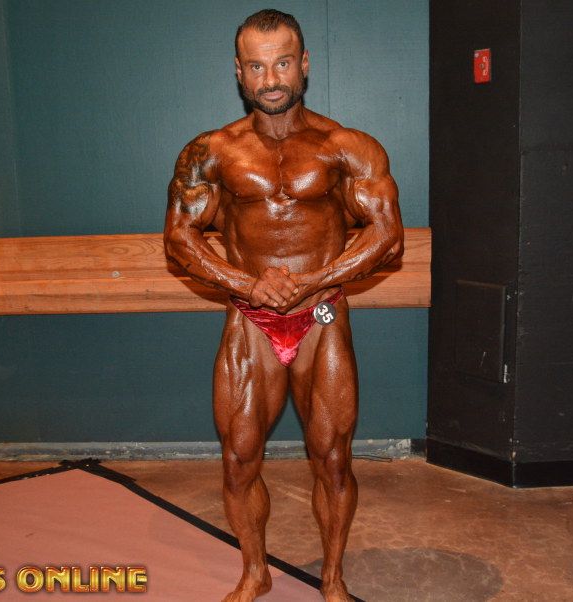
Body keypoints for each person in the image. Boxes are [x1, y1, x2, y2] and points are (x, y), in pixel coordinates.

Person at [164, 9, 403, 602]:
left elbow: (388, 237)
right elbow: (178, 241)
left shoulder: (346, 146)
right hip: (251, 320)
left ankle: (332, 578)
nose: (270, 79)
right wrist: (247, 285)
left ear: (304, 65)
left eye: (282, 63)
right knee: (239, 458)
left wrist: (315, 280)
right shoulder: (211, 151)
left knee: (333, 458)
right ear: (239, 72)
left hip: (321, 316)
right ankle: (255, 571)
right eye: (256, 66)